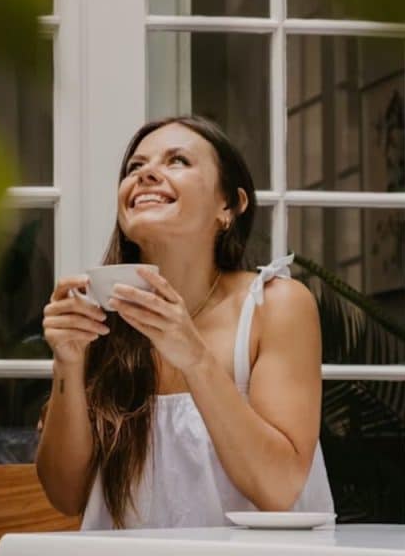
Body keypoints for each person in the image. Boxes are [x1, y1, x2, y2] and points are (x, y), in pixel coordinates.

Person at [36, 115, 334, 529]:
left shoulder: (274, 305)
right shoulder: (98, 317)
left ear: (229, 206)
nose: (147, 175)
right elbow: (66, 495)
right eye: (134, 168)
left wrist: (194, 357)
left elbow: (279, 488)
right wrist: (67, 364)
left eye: (177, 161)